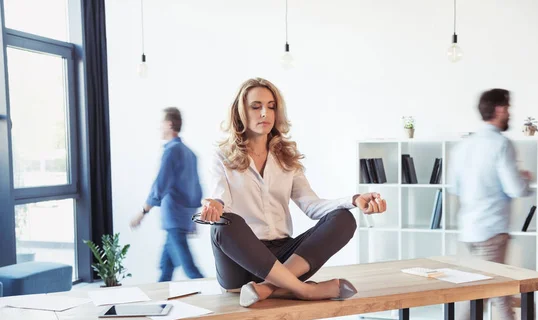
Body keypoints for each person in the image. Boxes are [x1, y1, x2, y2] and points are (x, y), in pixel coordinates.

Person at [198, 77, 387, 307]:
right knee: (224, 225)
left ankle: (269, 288)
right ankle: (303, 290)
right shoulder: (222, 156)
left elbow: (312, 206)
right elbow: (221, 199)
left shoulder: (285, 157)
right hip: (241, 263)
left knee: (343, 218)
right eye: (256, 107)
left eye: (271, 106)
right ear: (241, 113)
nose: (264, 114)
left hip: (284, 259)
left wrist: (355, 200)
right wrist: (215, 205)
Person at [438, 89, 538, 320]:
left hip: (469, 230)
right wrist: (524, 179)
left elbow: (455, 188)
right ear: (499, 109)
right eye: (508, 107)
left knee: (496, 289)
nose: (510, 113)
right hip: (491, 230)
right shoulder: (501, 145)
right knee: (478, 294)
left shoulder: (464, 146)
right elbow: (515, 189)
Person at [130, 107, 204, 282]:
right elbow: (196, 190)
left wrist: (142, 212)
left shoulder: (171, 151)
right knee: (166, 267)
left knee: (190, 269)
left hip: (173, 218)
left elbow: (160, 186)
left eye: (161, 123)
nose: (159, 128)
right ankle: (160, 306)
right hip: (182, 218)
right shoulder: (190, 153)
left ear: (169, 124)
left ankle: (217, 300)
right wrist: (193, 219)